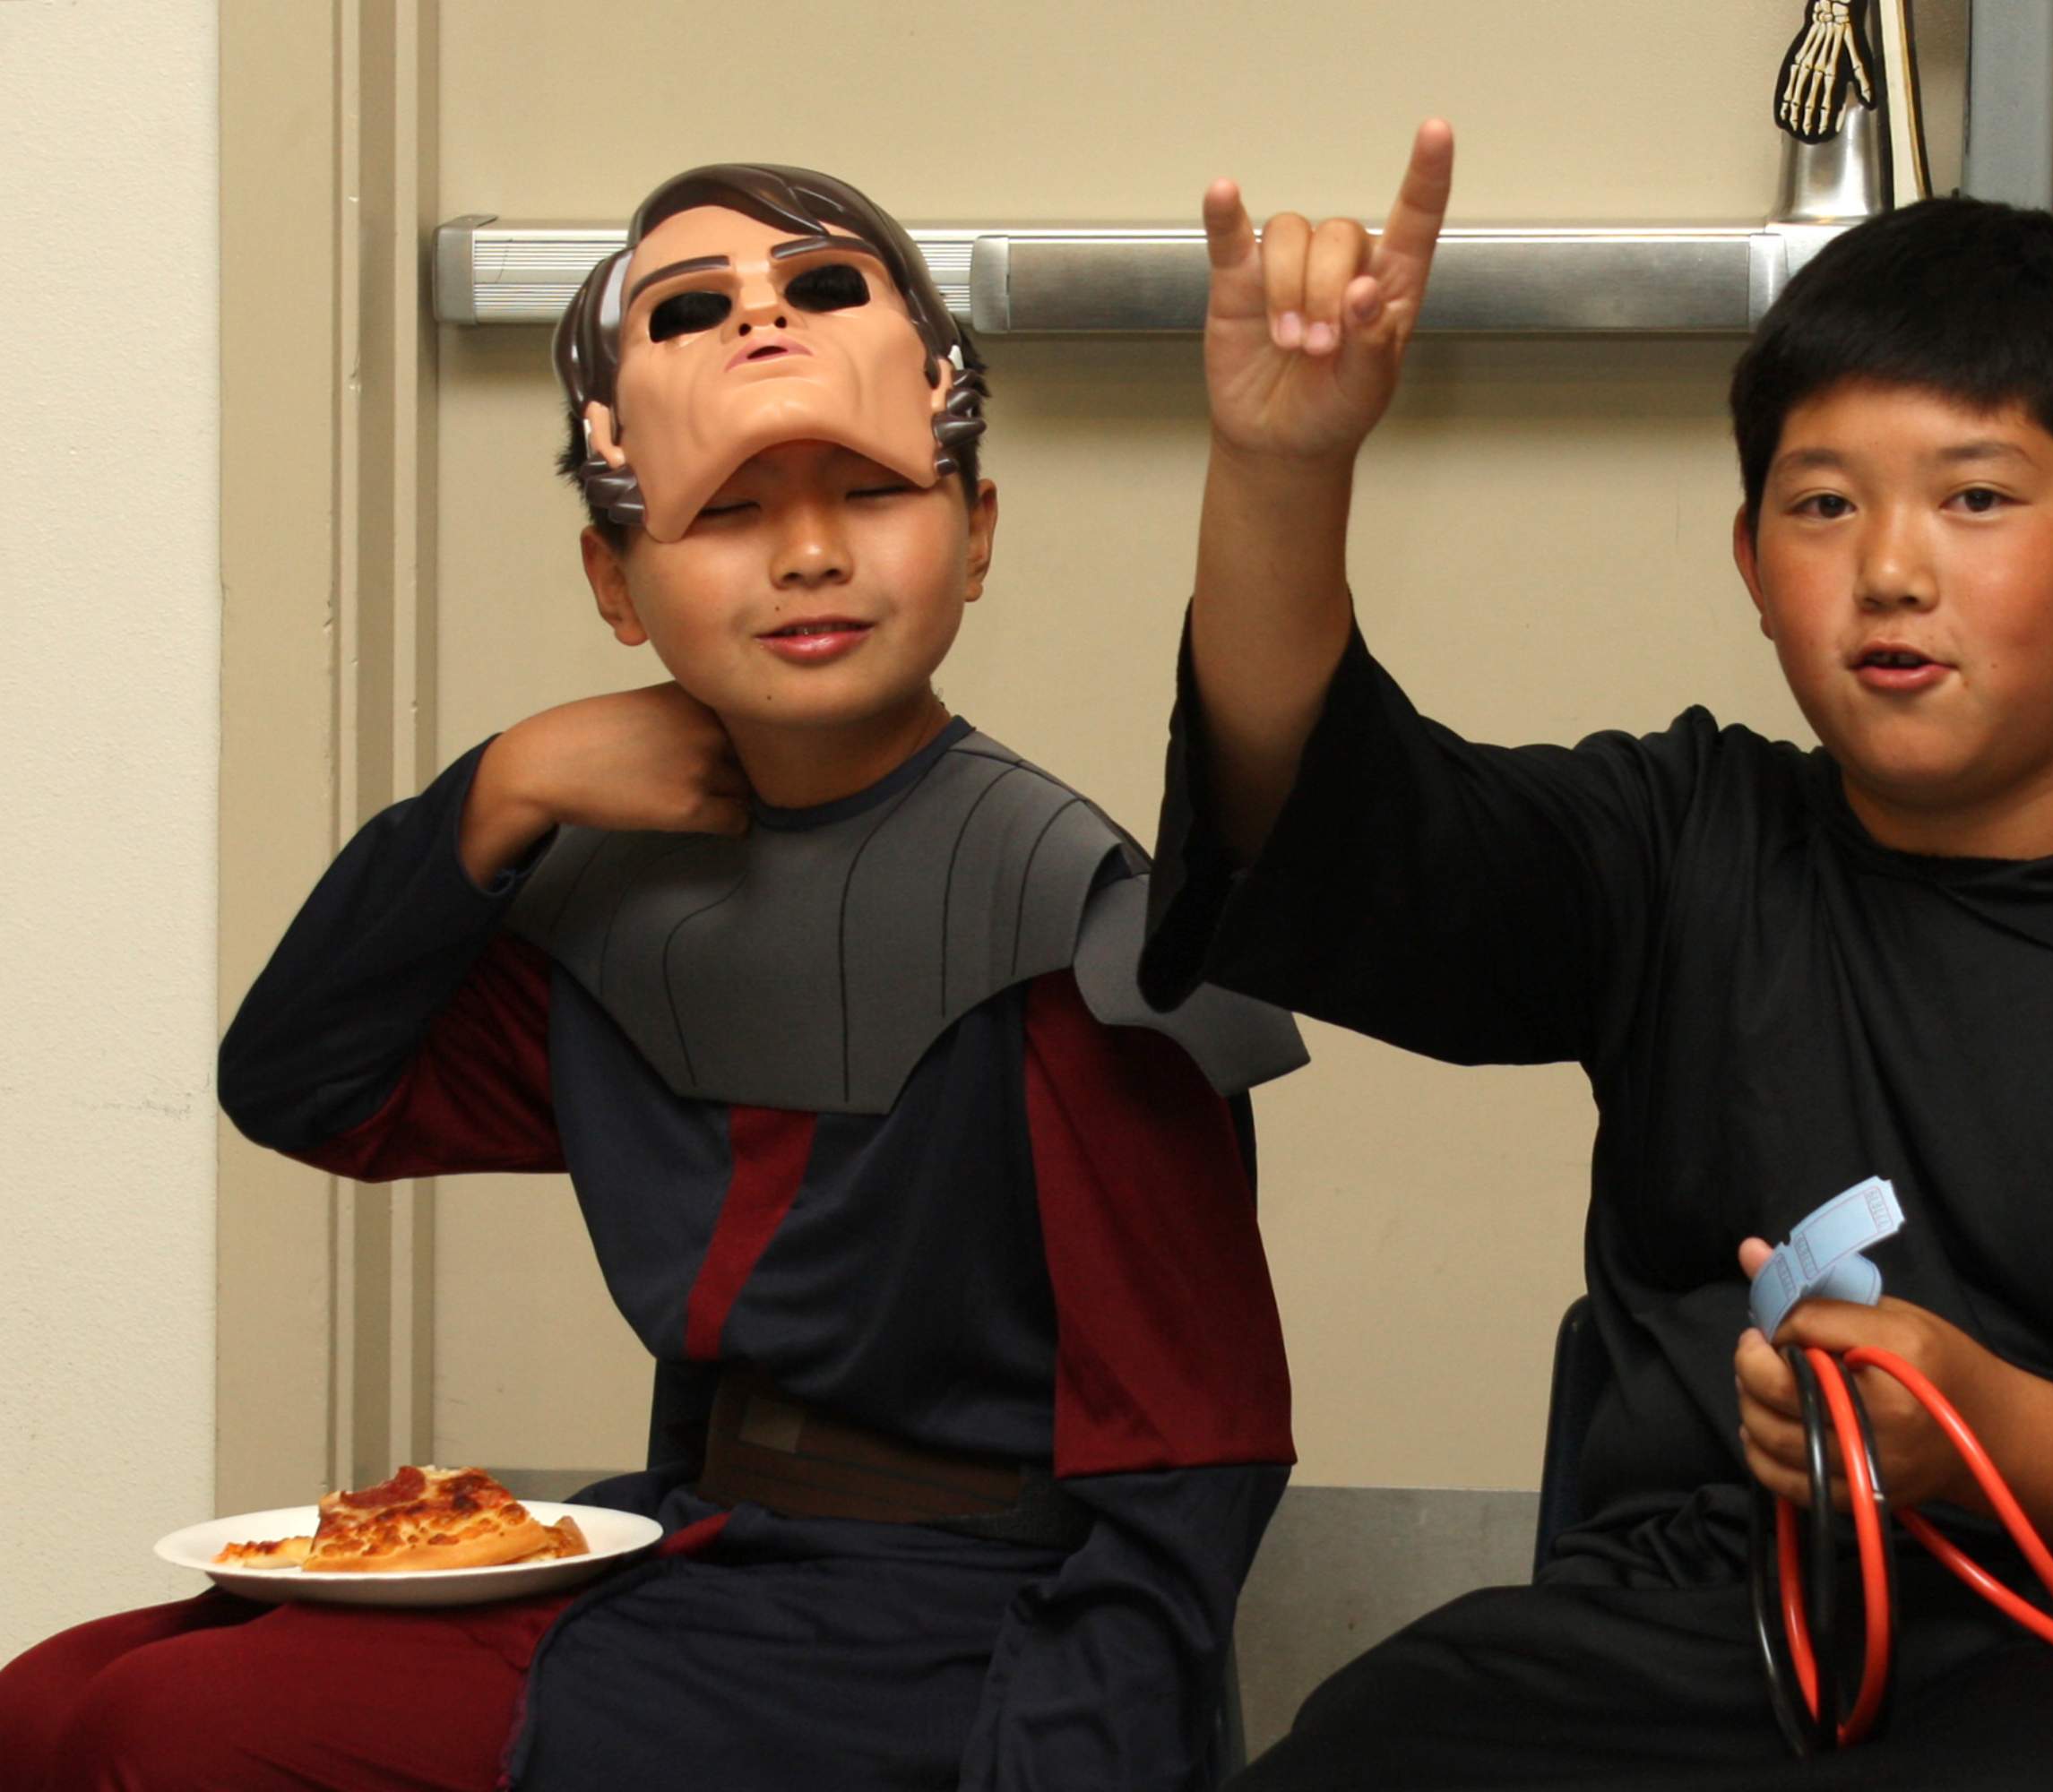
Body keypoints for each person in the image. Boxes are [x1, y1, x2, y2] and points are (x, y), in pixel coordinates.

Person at [1140, 122, 2053, 1790]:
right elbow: (1322, 819)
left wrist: (2005, 1440)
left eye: (1977, 498)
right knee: (1373, 1748)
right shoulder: (1690, 849)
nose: (1889, 569)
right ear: (1751, 562)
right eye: (1821, 505)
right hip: (1698, 1634)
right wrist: (1281, 467)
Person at [0, 161, 1304, 1792]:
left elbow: (1190, 1460)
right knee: (49, 1702)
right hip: (699, 1554)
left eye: (871, 496)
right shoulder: (616, 904)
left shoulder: (1070, 922)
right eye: (731, 514)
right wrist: (497, 791)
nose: (809, 557)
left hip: (945, 1632)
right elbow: (309, 1088)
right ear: (615, 582)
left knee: (172, 1732)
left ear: (974, 534)